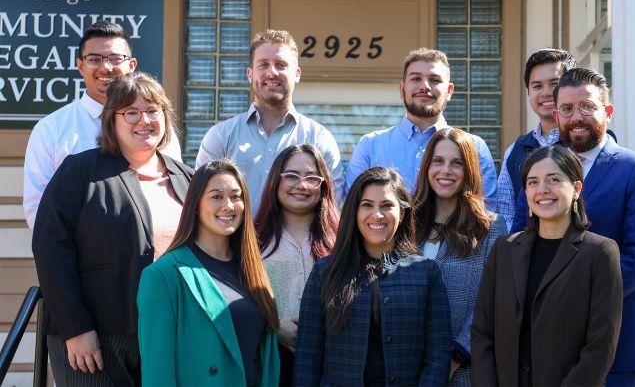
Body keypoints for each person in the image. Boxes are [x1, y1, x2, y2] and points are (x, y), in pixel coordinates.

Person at [32, 72, 194, 386]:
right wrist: (76, 328)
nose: (143, 120)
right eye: (131, 112)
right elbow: (50, 250)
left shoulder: (186, 178)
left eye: (152, 111)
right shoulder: (79, 171)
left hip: (169, 332)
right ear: (111, 121)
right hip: (96, 338)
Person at [511, 68, 635, 386]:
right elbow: (520, 239)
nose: (577, 117)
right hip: (546, 343)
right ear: (556, 115)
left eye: (587, 106)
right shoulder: (541, 171)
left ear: (607, 111)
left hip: (616, 340)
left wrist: (573, 304)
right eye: (567, 109)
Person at [473, 145, 623, 386]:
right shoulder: (504, 249)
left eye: (553, 180)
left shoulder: (600, 253)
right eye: (533, 182)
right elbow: (482, 333)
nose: (542, 190)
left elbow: (601, 345)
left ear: (576, 189)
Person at [294, 167, 451, 386]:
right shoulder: (325, 272)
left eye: (387, 206)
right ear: (355, 212)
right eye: (367, 205)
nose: (377, 214)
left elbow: (438, 356)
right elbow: (307, 357)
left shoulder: (426, 273)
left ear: (402, 213)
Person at [23, 21, 182, 229]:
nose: (106, 67)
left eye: (115, 58)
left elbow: (175, 193)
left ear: (131, 65)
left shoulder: (156, 129)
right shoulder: (51, 129)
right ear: (80, 66)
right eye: (94, 59)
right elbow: (39, 209)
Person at [138, 159, 280, 386]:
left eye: (236, 196)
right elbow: (157, 373)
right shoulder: (163, 276)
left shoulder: (254, 270)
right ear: (195, 205)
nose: (229, 205)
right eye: (216, 196)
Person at [196, 29, 343, 214]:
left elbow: (331, 206)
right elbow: (201, 201)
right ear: (250, 74)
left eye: (281, 65)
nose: (271, 72)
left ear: (297, 74)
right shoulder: (221, 136)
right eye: (263, 65)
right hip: (234, 243)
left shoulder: (319, 139)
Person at [345, 48, 498, 209]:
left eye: (434, 80)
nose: (424, 86)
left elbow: (486, 212)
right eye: (416, 78)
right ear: (402, 90)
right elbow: (354, 209)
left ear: (449, 91)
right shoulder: (370, 146)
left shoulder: (475, 147)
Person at [411, 127, 506, 385]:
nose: (446, 171)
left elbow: (492, 302)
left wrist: (454, 357)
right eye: (438, 161)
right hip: (407, 368)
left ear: (469, 170)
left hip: (463, 370)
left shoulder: (490, 228)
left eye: (457, 164)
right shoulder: (406, 224)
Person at [255, 144, 339, 385]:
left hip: (329, 360)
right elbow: (238, 297)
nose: (301, 185)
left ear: (323, 185)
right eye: (291, 176)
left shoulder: (342, 239)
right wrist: (272, 327)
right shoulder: (252, 238)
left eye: (312, 178)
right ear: (275, 181)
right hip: (269, 358)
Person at [496, 48, 575, 230]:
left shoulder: (583, 145)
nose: (546, 93)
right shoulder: (515, 151)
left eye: (554, 84)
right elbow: (506, 214)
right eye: (537, 86)